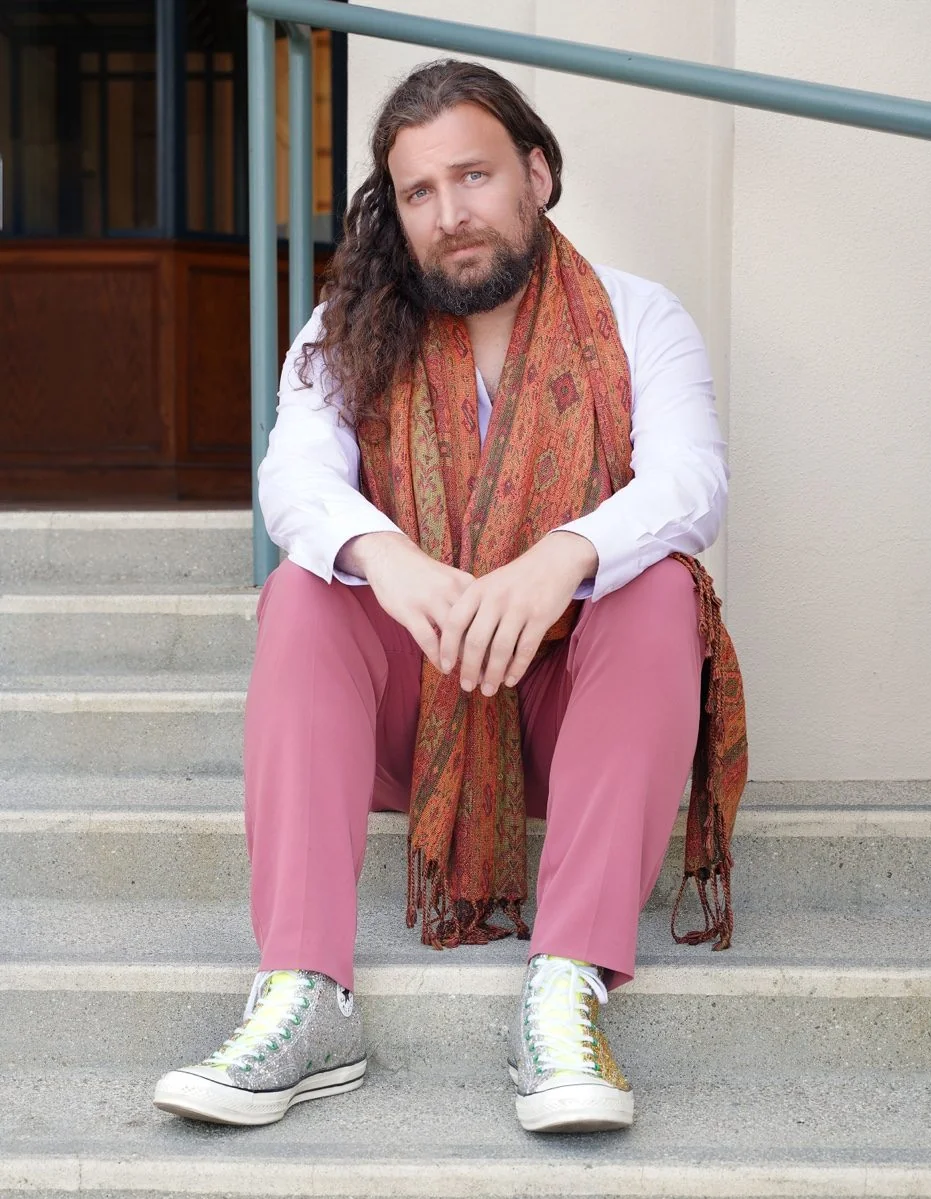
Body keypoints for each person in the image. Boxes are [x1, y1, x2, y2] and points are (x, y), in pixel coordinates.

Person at [154, 58, 745, 1135]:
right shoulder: (350, 332)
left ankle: (568, 985)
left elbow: (689, 482)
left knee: (658, 586)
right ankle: (302, 992)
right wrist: (388, 554)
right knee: (304, 586)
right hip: (409, 716)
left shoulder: (637, 319)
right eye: (420, 192)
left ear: (538, 173)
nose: (450, 214)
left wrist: (561, 551)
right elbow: (295, 479)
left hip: (573, 712)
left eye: (473, 177)